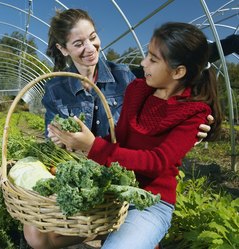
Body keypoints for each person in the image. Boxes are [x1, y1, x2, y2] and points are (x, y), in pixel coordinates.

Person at [45, 22, 223, 248]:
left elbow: (157, 161)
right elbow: (119, 137)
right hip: (113, 190)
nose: (142, 63)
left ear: (178, 71)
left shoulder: (194, 111)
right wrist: (77, 142)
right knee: (50, 234)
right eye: (146, 55)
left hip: (151, 200)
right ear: (64, 49)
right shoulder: (137, 90)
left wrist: (93, 147)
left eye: (153, 59)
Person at [41, 9, 232, 145]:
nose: (90, 48)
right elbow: (51, 135)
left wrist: (190, 124)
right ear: (63, 49)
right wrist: (57, 137)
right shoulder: (55, 89)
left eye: (92, 37)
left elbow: (162, 109)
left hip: (121, 168)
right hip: (75, 169)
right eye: (78, 43)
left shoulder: (124, 77)